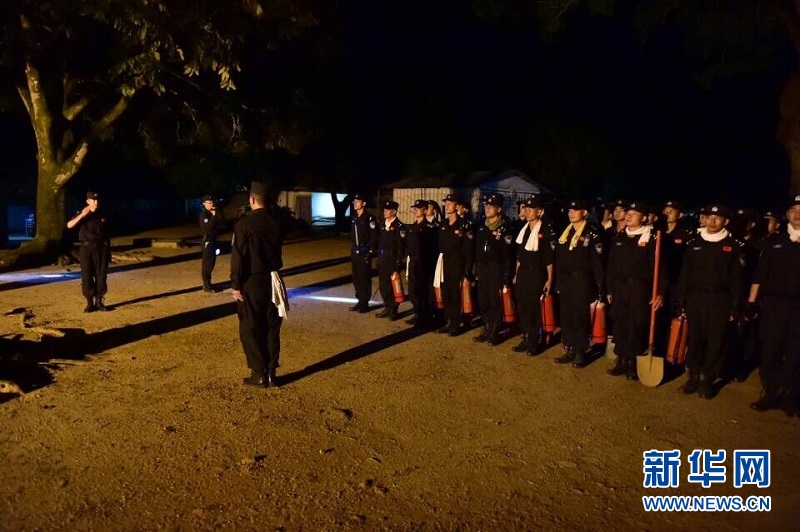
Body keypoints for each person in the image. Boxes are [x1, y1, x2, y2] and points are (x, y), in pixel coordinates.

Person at [676, 204, 745, 399]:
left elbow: (738, 279)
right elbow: (685, 275)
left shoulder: (734, 246)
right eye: (709, 217)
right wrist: (680, 300)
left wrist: (735, 306)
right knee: (695, 338)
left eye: (717, 218)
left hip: (720, 300)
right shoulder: (694, 243)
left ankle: (707, 379)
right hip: (695, 298)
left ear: (726, 221)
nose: (712, 221)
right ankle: (693, 375)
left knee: (716, 340)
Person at [747, 195, 800, 417]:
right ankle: (769, 393)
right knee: (771, 349)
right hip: (774, 304)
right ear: (787, 215)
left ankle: (790, 397)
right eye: (793, 210)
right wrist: (752, 302)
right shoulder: (774, 241)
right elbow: (760, 275)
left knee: (796, 352)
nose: (797, 215)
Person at [231, 181, 287, 388]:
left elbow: (238, 257)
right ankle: (271, 373)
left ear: (252, 199)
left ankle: (258, 372)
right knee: (272, 326)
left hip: (252, 281)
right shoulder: (276, 222)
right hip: (273, 279)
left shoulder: (244, 224)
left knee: (251, 326)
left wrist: (236, 284)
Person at [606, 202, 666, 379]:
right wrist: (610, 288)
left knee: (636, 324)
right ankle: (621, 359)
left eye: (634, 213)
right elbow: (611, 266)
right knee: (620, 323)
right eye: (628, 213)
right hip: (620, 288)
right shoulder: (619, 238)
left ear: (644, 217)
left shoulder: (652, 239)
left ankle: (633, 362)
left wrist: (660, 292)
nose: (629, 216)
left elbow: (661, 270)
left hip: (640, 289)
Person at [554, 199, 606, 368]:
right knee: (567, 315)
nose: (571, 213)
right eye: (570, 210)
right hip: (567, 280)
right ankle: (569, 348)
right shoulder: (566, 231)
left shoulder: (592, 232)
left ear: (584, 213)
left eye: (575, 210)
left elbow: (597, 262)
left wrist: (600, 286)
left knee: (580, 316)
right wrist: (558, 281)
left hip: (583, 280)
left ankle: (580, 351)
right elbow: (559, 259)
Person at [512, 196, 555, 355]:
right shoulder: (524, 229)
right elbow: (519, 255)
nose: (528, 212)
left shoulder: (545, 230)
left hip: (536, 273)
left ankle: (534, 340)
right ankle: (526, 336)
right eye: (527, 209)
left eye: (531, 209)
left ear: (540, 211)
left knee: (533, 307)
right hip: (523, 272)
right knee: (522, 305)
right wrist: (516, 273)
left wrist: (550, 279)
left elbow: (549, 258)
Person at [473, 193, 516, 346]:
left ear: (499, 209)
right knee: (483, 298)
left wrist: (508, 273)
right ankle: (486, 326)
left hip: (496, 268)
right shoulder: (482, 225)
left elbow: (508, 253)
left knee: (494, 299)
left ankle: (495, 329)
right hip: (482, 267)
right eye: (486, 206)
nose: (487, 209)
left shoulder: (505, 227)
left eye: (491, 206)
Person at [435, 194, 475, 335]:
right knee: (446, 293)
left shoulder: (465, 225)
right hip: (444, 262)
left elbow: (469, 250)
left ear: (457, 206)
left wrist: (468, 270)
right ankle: (448, 321)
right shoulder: (444, 224)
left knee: (455, 294)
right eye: (446, 203)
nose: (447, 206)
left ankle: (456, 324)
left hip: (458, 263)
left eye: (450, 203)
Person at [66, 190, 111, 312]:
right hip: (86, 248)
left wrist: (108, 252)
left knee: (101, 276)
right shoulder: (82, 213)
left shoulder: (103, 213)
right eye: (93, 200)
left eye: (97, 200)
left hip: (101, 248)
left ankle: (99, 301)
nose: (96, 202)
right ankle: (89, 303)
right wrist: (82, 215)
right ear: (88, 201)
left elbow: (108, 233)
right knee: (87, 275)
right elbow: (69, 225)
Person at [404, 200, 438, 328]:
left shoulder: (429, 228)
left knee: (423, 290)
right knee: (413, 290)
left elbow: (432, 248)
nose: (416, 210)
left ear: (425, 210)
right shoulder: (412, 227)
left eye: (419, 208)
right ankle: (417, 313)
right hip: (413, 262)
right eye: (415, 208)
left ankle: (424, 316)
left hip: (423, 263)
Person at [375, 201, 406, 320]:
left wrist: (398, 261)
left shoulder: (399, 226)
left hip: (392, 259)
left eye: (387, 210)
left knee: (393, 285)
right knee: (383, 285)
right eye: (384, 210)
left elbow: (401, 246)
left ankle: (393, 309)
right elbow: (379, 242)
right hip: (383, 258)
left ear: (394, 212)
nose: (384, 212)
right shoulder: (382, 224)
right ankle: (387, 306)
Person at [349, 194, 379, 313]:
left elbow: (374, 236)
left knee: (364, 277)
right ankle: (359, 299)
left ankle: (364, 302)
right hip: (355, 251)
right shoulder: (354, 217)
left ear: (364, 203)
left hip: (364, 250)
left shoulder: (369, 218)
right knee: (356, 277)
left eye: (358, 201)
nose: (355, 203)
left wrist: (371, 251)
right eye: (354, 201)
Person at [199, 194, 226, 292]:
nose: (211, 204)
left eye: (212, 202)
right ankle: (206, 285)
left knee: (211, 263)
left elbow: (222, 225)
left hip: (213, 240)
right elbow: (209, 227)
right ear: (204, 204)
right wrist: (214, 216)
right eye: (209, 203)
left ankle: (208, 283)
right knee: (207, 264)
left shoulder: (211, 213)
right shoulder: (204, 215)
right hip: (208, 241)